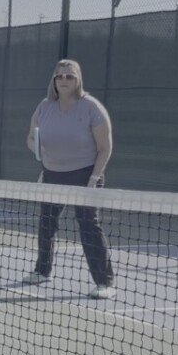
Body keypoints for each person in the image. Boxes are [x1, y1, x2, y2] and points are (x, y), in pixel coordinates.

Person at [21, 59, 117, 299]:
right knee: (46, 224)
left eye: (70, 76)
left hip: (85, 174)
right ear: (54, 80)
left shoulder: (91, 107)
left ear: (78, 80)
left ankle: (104, 282)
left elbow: (105, 147)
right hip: (52, 174)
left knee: (88, 226)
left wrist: (95, 177)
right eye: (60, 76)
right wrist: (38, 152)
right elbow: (31, 138)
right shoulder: (44, 107)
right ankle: (42, 271)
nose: (64, 80)